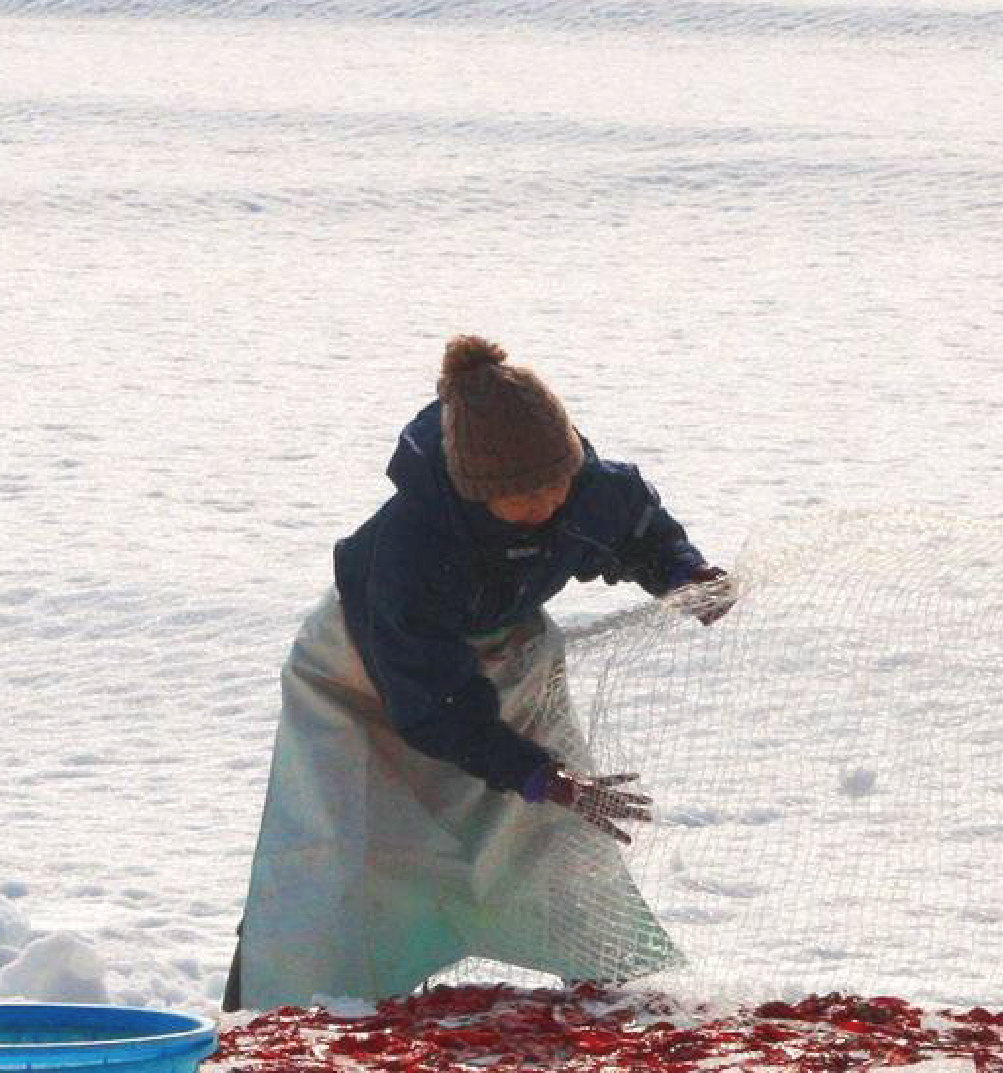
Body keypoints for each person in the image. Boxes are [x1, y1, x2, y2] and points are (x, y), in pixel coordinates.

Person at [225, 336, 731, 1012]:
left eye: (558, 484)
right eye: (523, 498)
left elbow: (640, 531)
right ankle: (286, 1003)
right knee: (348, 848)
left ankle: (610, 975)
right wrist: (533, 772)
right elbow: (434, 703)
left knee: (551, 830)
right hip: (364, 678)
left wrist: (683, 575)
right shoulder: (410, 548)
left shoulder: (586, 488)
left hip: (507, 655)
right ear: (474, 493)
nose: (548, 504)